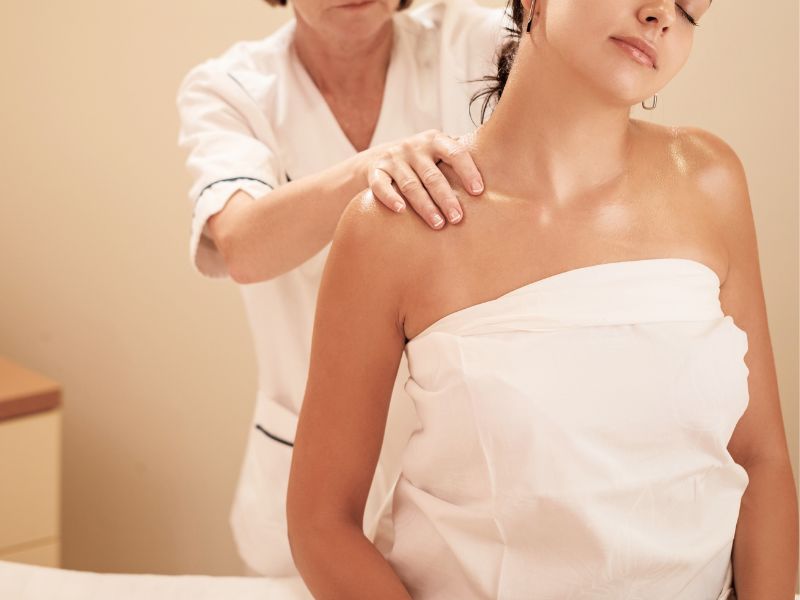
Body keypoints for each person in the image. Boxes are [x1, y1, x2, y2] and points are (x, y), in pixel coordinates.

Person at [286, 0, 800, 597]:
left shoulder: (709, 180)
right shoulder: (393, 227)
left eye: (689, 10)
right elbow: (321, 524)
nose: (662, 13)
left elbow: (761, 457)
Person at [176, 0, 510, 578]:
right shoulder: (233, 88)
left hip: (467, 481)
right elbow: (242, 246)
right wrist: (371, 169)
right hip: (301, 490)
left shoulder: (473, 42)